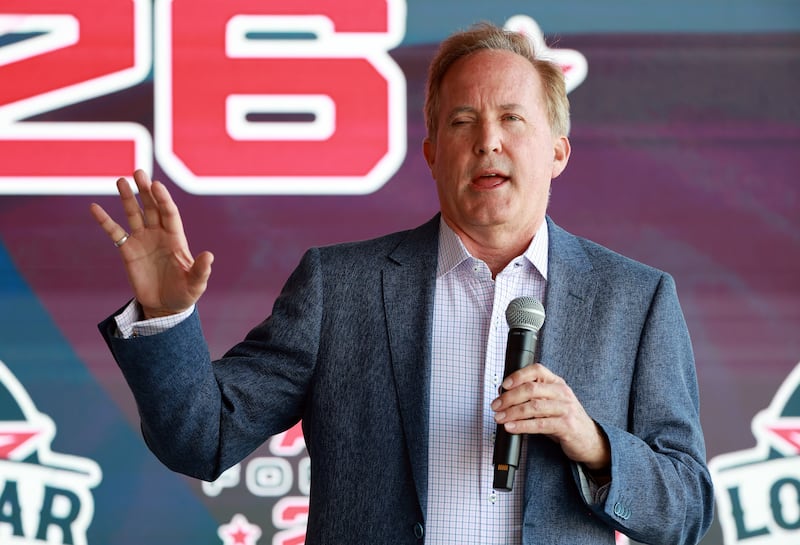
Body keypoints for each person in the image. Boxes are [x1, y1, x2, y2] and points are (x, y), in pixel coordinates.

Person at [91, 22, 713, 545]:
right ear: (432, 153)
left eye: (512, 118)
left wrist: (593, 443)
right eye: (463, 121)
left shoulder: (635, 300)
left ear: (557, 152)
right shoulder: (340, 288)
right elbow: (201, 439)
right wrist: (164, 316)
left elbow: (687, 508)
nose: (488, 141)